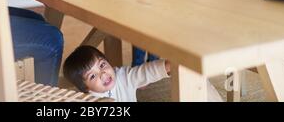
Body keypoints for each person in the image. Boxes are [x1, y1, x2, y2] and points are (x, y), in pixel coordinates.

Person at [63, 45, 222, 102]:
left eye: (102, 64)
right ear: (84, 88)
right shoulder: (81, 98)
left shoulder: (123, 77)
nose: (103, 73)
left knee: (191, 74)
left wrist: (167, 66)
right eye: (92, 76)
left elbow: (144, 73)